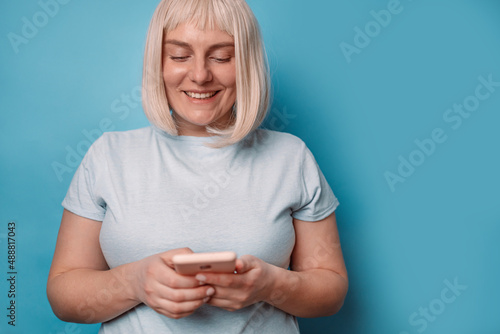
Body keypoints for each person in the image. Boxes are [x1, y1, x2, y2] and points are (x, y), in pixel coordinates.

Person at [46, 0, 348, 332]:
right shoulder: (108, 156)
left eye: (221, 57)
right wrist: (133, 282)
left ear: (246, 64)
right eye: (179, 56)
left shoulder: (291, 157)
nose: (201, 75)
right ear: (157, 62)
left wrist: (270, 285)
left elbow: (331, 292)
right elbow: (63, 295)